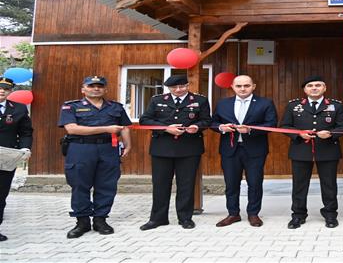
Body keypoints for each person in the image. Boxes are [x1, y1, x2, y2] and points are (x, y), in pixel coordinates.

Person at [58, 76, 131, 239]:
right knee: (79, 185)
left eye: (100, 86)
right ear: (83, 89)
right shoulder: (71, 107)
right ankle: (82, 221)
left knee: (107, 184)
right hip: (81, 148)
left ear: (105, 89)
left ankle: (100, 219)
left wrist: (128, 145)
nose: (96, 89)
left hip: (108, 148)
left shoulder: (115, 107)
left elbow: (124, 127)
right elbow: (72, 129)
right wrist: (106, 128)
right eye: (91, 86)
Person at [139, 75, 210, 231]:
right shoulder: (157, 100)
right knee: (160, 185)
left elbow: (206, 121)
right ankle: (158, 218)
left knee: (186, 184)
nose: (178, 90)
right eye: (174, 88)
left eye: (182, 86)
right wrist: (166, 128)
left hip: (189, 148)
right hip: (162, 148)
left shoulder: (200, 100)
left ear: (187, 85)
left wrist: (197, 127)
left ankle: (185, 218)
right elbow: (145, 120)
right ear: (168, 88)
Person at [280, 75, 343, 229]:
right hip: (301, 150)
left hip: (328, 150)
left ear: (324, 88)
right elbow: (285, 126)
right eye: (310, 85)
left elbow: (342, 127)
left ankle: (330, 215)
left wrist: (330, 134)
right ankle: (298, 215)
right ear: (305, 89)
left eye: (318, 85)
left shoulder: (336, 106)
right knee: (299, 185)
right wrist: (298, 134)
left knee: (329, 185)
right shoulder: (293, 106)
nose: (314, 88)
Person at [211, 75, 277, 228]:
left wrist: (250, 130)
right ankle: (233, 213)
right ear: (233, 87)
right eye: (239, 86)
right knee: (231, 183)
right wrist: (221, 128)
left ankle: (253, 214)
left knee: (254, 183)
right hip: (230, 149)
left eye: (246, 85)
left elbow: (271, 124)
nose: (242, 89)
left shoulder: (265, 103)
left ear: (253, 86)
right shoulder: (223, 104)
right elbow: (213, 122)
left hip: (255, 150)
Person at [0, 77, 33, 241]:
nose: (2, 91)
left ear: (10, 91)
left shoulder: (19, 109)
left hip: (7, 157)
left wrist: (25, 148)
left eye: (6, 89)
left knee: (1, 194)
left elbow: (26, 132)